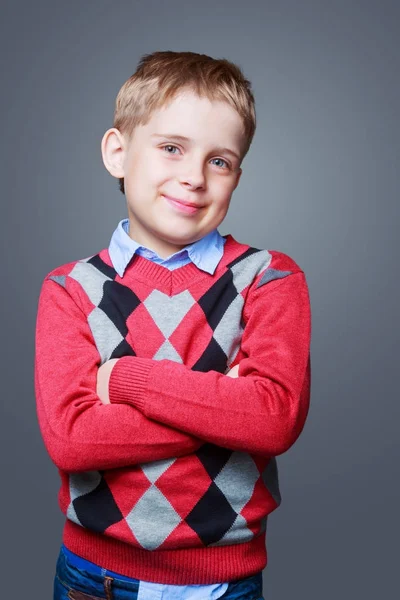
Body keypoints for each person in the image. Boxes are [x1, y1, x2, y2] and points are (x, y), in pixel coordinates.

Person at [34, 50, 312, 600]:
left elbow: (274, 420)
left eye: (220, 161)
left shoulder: (269, 277)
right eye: (171, 149)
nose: (194, 177)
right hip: (96, 578)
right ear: (118, 153)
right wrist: (226, 407)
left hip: (225, 581)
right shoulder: (69, 289)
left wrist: (125, 382)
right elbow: (72, 439)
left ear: (237, 174)